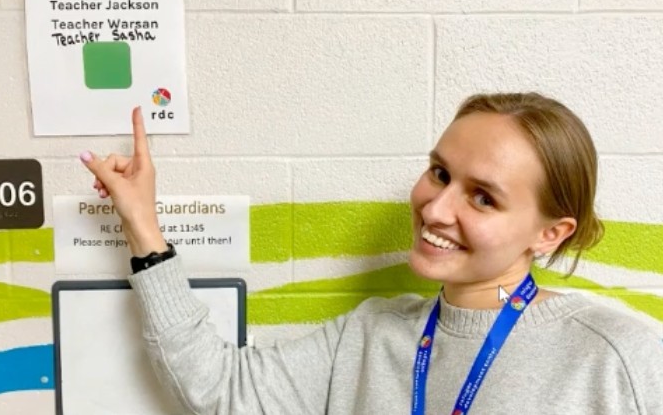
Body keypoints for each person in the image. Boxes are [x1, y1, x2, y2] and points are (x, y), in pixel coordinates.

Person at [80, 93, 663, 415]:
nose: (435, 209)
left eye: (482, 198)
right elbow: (219, 389)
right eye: (439, 173)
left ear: (549, 234)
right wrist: (142, 226)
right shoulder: (368, 337)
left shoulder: (619, 359)